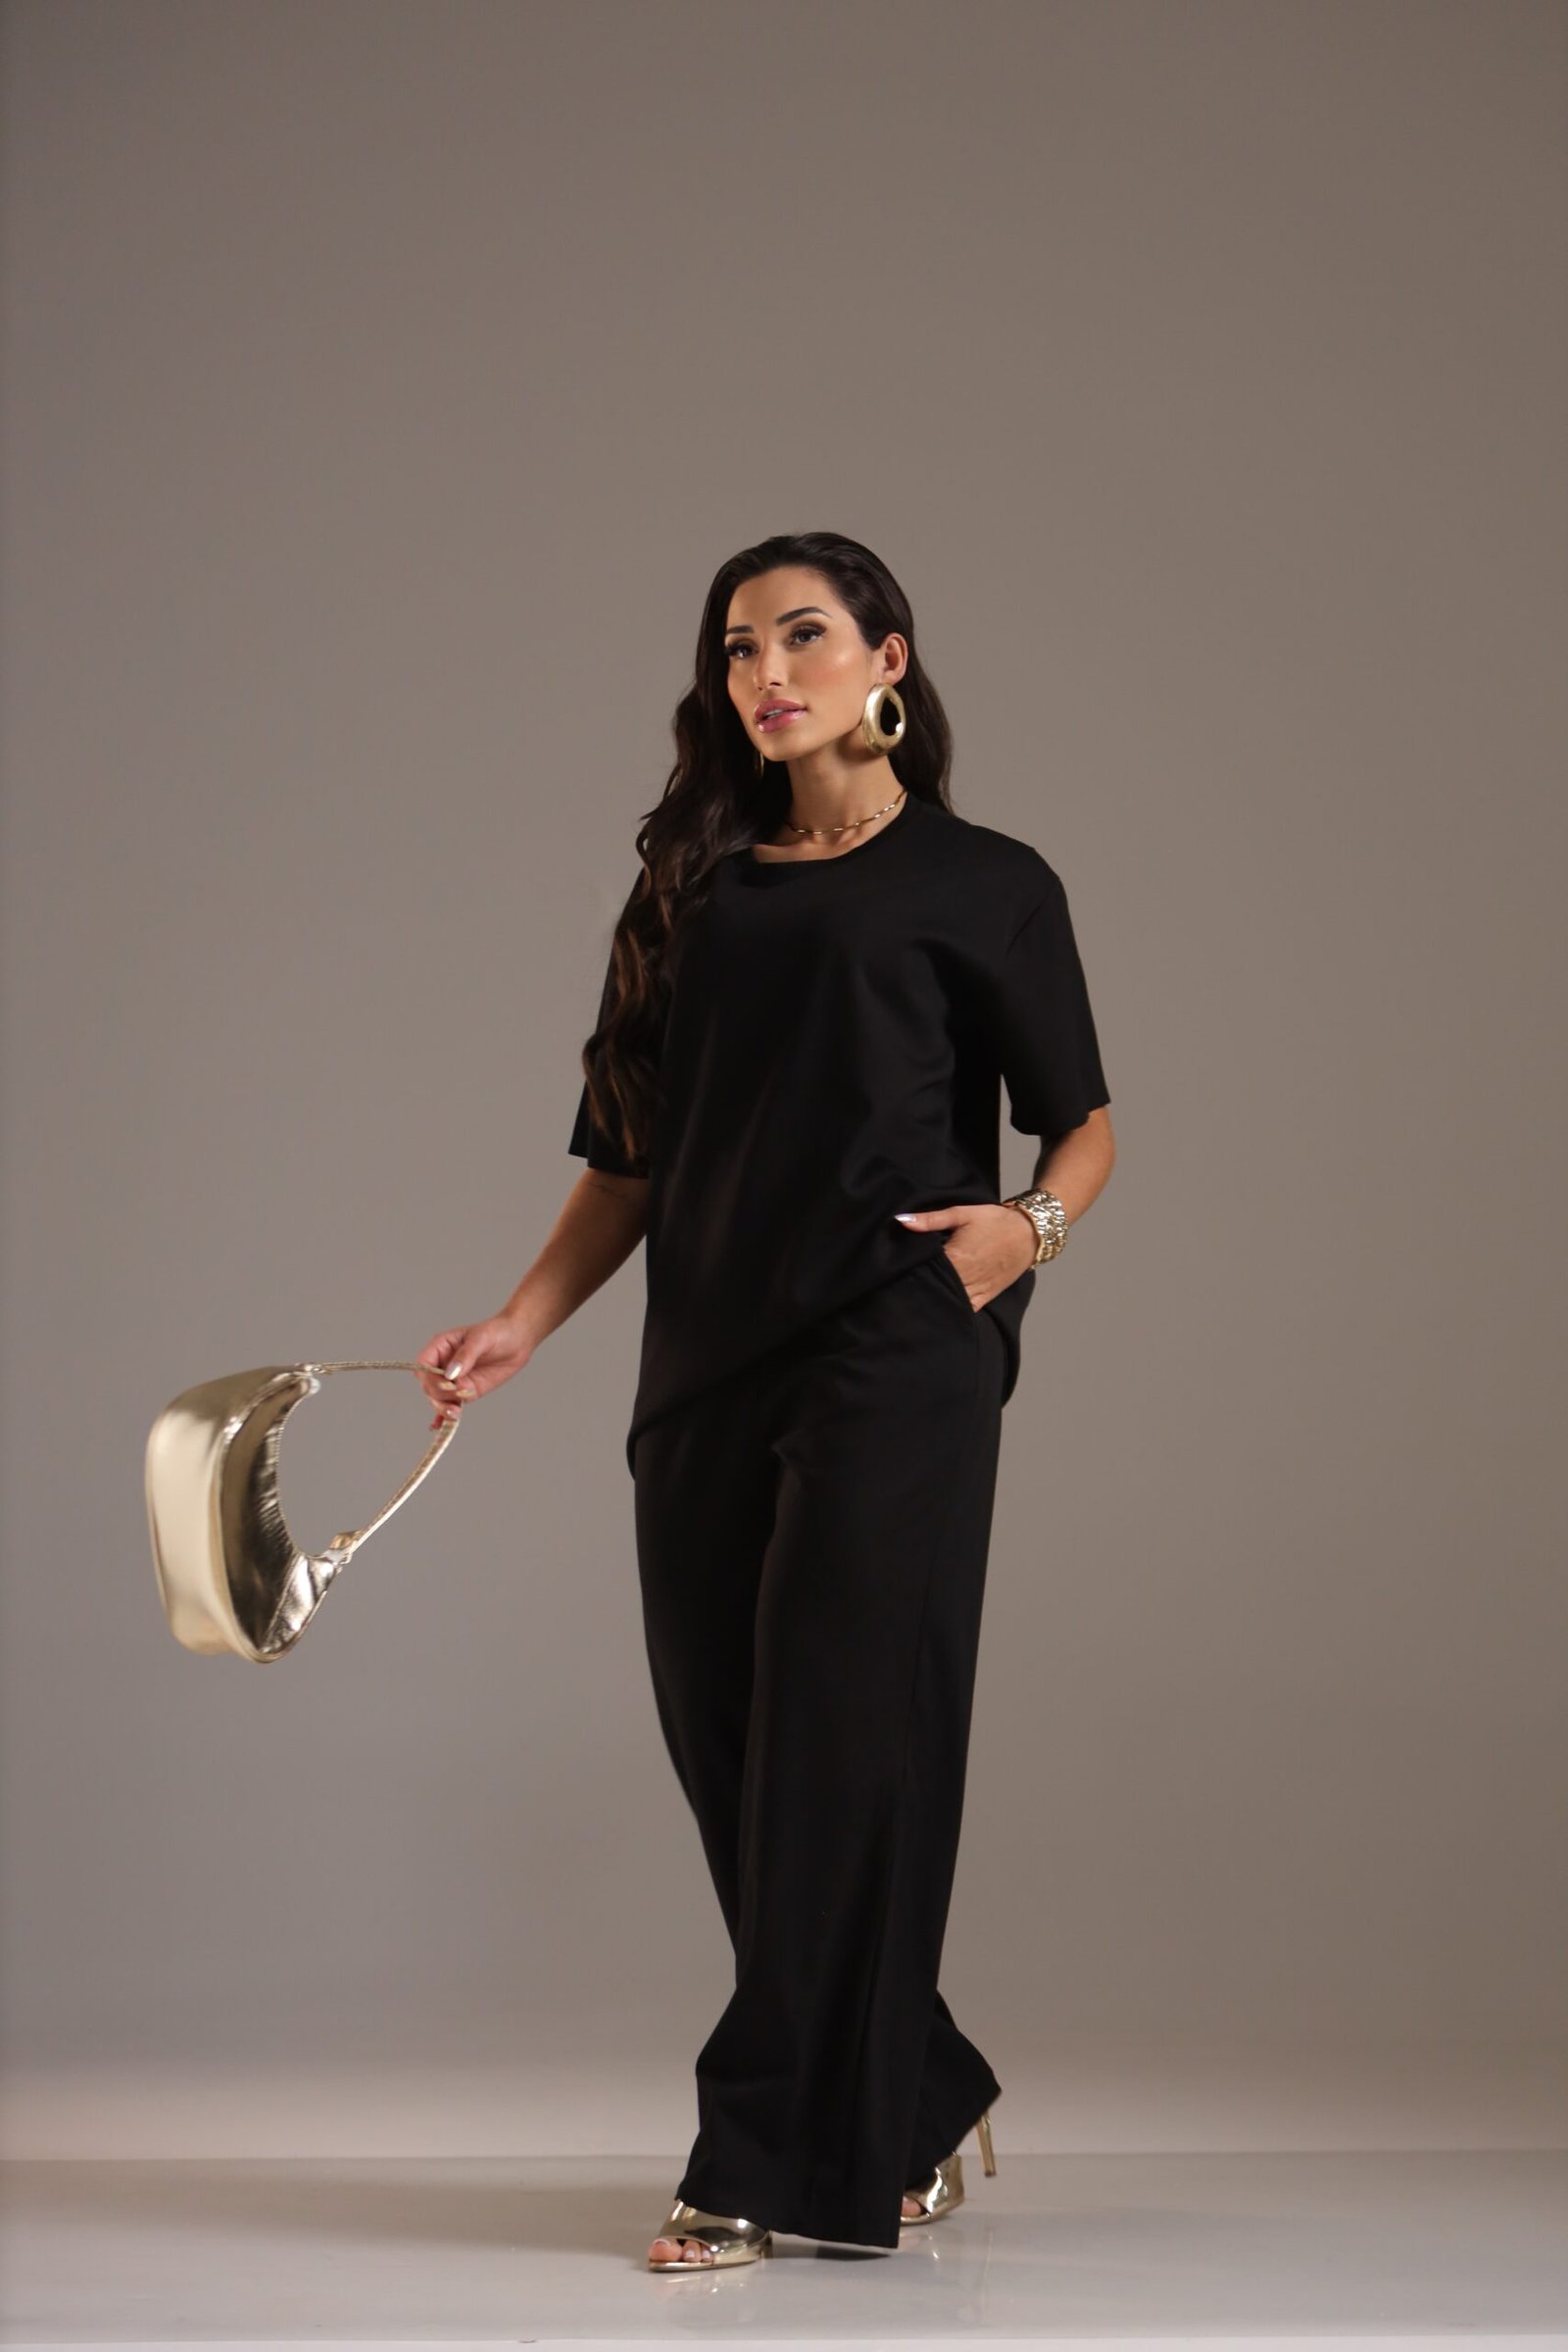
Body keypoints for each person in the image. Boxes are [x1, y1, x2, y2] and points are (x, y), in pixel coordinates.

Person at [416, 529, 1115, 2270]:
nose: (766, 672)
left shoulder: (990, 884)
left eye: (803, 635)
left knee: (839, 1748)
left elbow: (1085, 1125)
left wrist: (1024, 1232)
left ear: (889, 661)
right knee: (735, 1754)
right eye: (738, 648)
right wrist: (521, 1322)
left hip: (897, 1355)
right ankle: (913, 2094)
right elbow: (631, 1159)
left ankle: (753, 2158)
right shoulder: (694, 895)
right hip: (705, 1366)